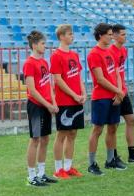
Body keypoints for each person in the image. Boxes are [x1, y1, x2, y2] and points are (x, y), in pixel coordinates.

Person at [87, 23, 124, 175]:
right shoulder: (94, 54)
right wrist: (118, 91)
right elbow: (100, 79)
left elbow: (116, 73)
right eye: (109, 34)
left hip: (114, 96)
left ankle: (110, 161)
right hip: (101, 97)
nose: (111, 36)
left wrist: (119, 92)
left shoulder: (110, 52)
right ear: (101, 35)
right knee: (97, 130)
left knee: (113, 128)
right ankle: (92, 164)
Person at [23, 30, 59, 186]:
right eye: (43, 43)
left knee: (45, 138)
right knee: (35, 139)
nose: (45, 46)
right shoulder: (29, 63)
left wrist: (54, 102)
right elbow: (32, 90)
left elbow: (49, 85)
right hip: (36, 106)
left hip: (47, 105)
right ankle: (31, 176)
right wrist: (48, 104)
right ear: (35, 45)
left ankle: (42, 173)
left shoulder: (44, 62)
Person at [109, 24, 134, 164]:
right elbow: (111, 74)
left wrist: (122, 91)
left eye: (125, 34)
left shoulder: (124, 51)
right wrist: (117, 92)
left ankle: (132, 155)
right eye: (122, 34)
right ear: (114, 35)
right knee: (113, 126)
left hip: (123, 91)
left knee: (131, 120)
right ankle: (112, 156)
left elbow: (120, 73)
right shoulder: (110, 52)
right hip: (114, 93)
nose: (125, 37)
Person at [50, 25, 86, 179]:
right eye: (70, 34)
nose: (73, 36)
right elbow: (58, 80)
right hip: (64, 100)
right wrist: (74, 95)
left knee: (73, 133)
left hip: (77, 99)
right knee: (62, 134)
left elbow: (78, 76)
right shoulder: (56, 55)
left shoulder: (74, 54)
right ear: (61, 36)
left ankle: (68, 167)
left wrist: (83, 93)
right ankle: (58, 169)